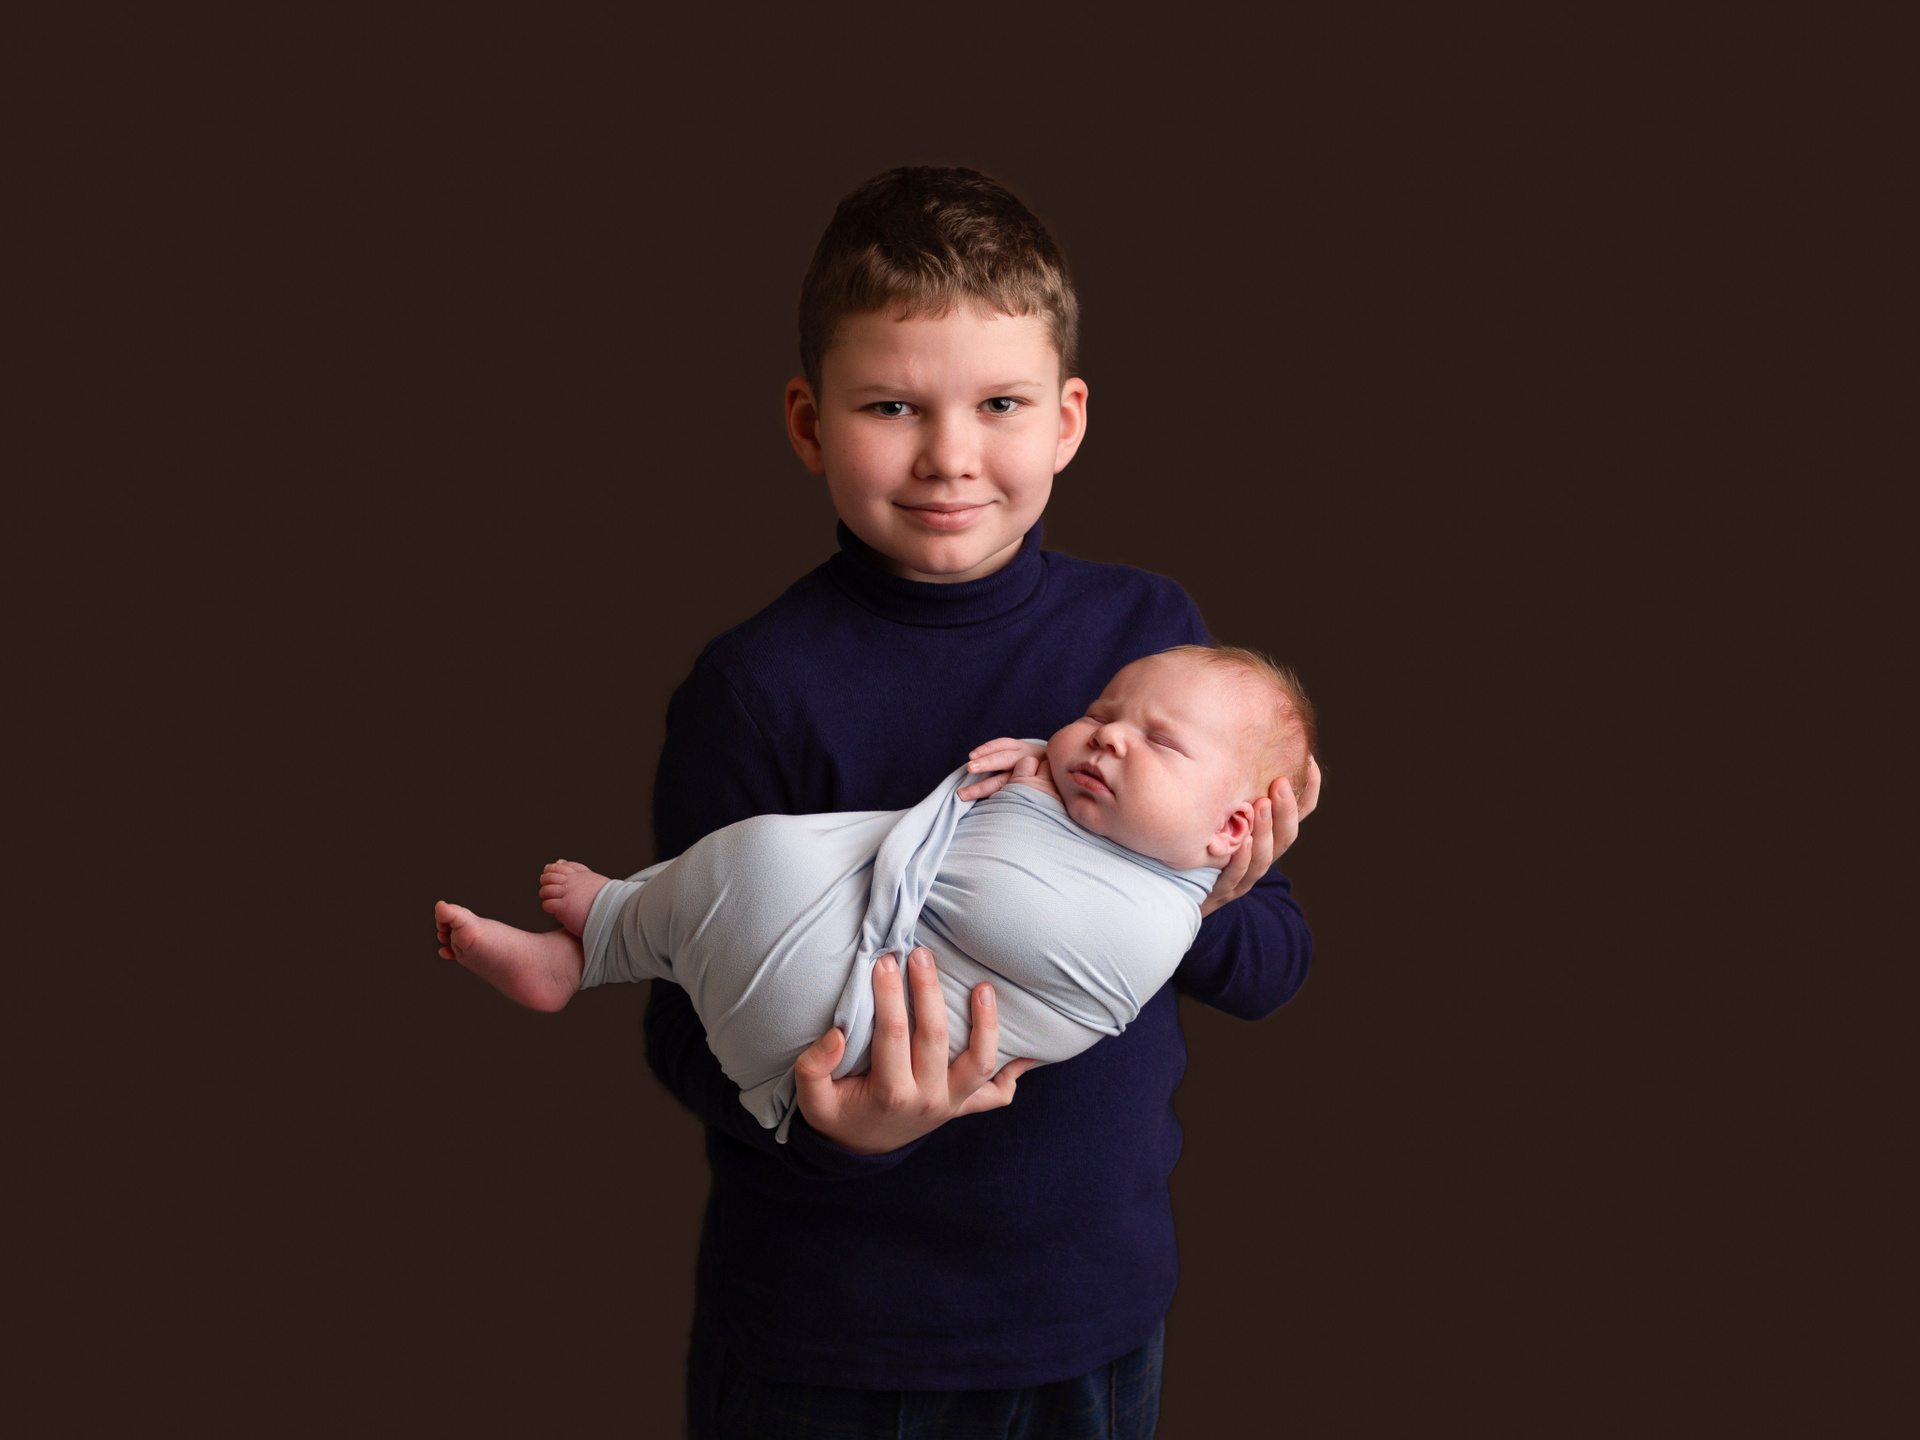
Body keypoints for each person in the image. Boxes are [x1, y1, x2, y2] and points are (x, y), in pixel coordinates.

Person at [493, 165, 1319, 1437]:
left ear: (1068, 419)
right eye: (891, 406)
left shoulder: (1155, 647)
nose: (949, 456)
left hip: (1092, 1313)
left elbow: (1271, 969)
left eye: (1001, 404)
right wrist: (844, 1131)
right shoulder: (759, 686)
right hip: (833, 1332)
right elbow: (681, 1020)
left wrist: (1205, 896)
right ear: (809, 421)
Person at [434, 646, 1317, 1147]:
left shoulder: (1152, 913)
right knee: (766, 861)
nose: (1106, 737)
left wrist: (1033, 802)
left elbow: (990, 903)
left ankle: (610, 931)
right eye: (1099, 712)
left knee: (769, 866)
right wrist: (1040, 787)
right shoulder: (754, 681)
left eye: (1158, 741)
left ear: (1233, 829)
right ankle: (591, 951)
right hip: (822, 1245)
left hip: (846, 1036)